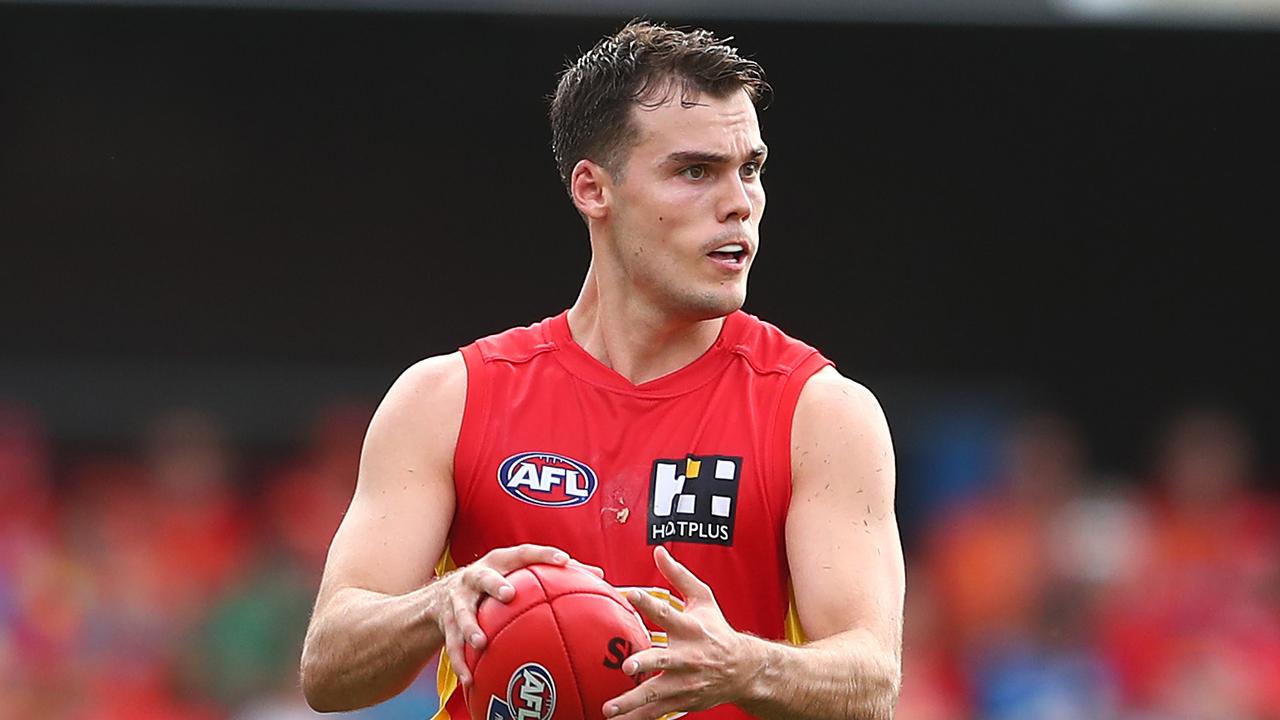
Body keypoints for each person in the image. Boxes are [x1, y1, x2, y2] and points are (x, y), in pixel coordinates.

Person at [300, 20, 904, 720]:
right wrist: (438, 604)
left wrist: (741, 666)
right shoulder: (447, 398)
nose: (740, 202)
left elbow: (872, 682)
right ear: (593, 189)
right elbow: (328, 668)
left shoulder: (819, 412)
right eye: (695, 171)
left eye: (751, 168)